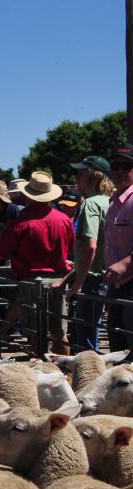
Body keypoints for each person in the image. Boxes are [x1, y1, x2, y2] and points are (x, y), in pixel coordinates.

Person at [0, 172, 75, 354]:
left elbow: (1, 253)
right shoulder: (64, 219)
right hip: (58, 281)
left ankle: (41, 369)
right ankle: (63, 372)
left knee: (34, 332)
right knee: (59, 331)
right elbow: (71, 248)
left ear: (27, 195)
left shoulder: (20, 222)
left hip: (31, 281)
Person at [57, 156, 115, 351]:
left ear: (92, 176)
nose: (77, 177)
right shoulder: (111, 203)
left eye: (81, 172)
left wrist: (77, 285)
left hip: (91, 281)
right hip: (109, 278)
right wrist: (67, 279)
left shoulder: (89, 205)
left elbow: (90, 246)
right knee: (99, 334)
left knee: (86, 341)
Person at [104, 145, 133, 350]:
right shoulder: (114, 203)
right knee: (118, 347)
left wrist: (125, 263)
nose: (120, 170)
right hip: (117, 285)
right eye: (115, 166)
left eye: (127, 165)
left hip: (130, 283)